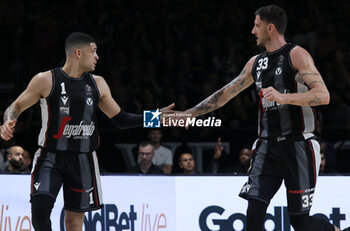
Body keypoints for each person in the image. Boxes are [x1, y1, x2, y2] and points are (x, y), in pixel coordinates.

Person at [166, 5, 349, 231]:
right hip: (267, 146)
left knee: (300, 222)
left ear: (269, 27)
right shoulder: (256, 63)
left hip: (298, 144)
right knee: (253, 216)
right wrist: (189, 114)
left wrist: (284, 97)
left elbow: (323, 95)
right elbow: (225, 94)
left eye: (256, 25)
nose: (253, 31)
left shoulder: (296, 54)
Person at [0, 32, 173, 231]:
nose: (97, 57)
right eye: (94, 52)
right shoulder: (46, 79)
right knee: (39, 216)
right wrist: (7, 121)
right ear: (78, 53)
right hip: (50, 157)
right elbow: (16, 106)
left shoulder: (97, 83)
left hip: (83, 159)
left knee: (73, 224)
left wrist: (156, 117)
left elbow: (120, 119)